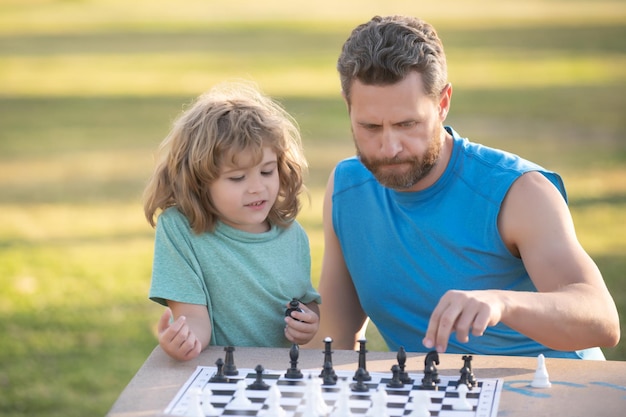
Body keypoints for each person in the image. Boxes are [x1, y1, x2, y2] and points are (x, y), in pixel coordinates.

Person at [315, 15, 620, 359]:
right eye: (370, 126)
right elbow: (334, 338)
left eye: (407, 124)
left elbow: (602, 321)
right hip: (436, 398)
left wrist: (502, 303)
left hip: (553, 394)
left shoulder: (518, 191)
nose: (389, 148)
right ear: (347, 106)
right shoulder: (348, 188)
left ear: (443, 103)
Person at [143, 82, 321, 361]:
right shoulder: (180, 230)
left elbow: (304, 299)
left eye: (267, 171)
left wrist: (308, 322)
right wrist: (186, 339)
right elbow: (191, 314)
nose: (257, 188)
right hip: (217, 376)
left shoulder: (292, 233)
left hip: (278, 376)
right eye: (237, 177)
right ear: (199, 182)